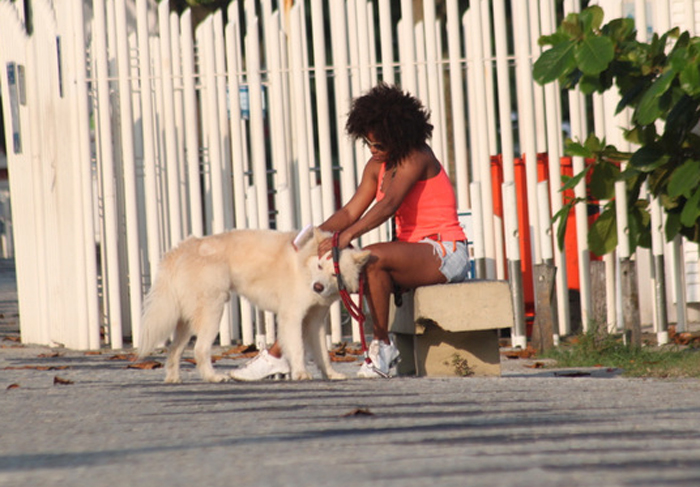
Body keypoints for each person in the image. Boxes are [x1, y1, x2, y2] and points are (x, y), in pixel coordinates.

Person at [231, 83, 469, 380]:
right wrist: (314, 237)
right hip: (411, 254)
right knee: (328, 271)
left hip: (445, 252)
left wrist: (344, 237)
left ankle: (382, 347)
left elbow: (389, 205)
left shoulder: (417, 157)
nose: (373, 150)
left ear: (399, 136)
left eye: (380, 145)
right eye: (368, 143)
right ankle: (279, 355)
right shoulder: (376, 166)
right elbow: (349, 212)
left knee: (371, 257)